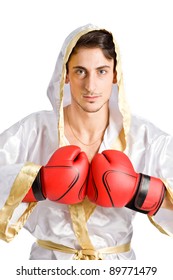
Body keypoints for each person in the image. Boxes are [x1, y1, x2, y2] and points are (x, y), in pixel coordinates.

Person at [0, 23, 173, 260]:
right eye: (80, 71)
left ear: (114, 74)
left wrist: (141, 191)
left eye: (101, 71)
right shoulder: (33, 130)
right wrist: (36, 183)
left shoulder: (143, 136)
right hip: (47, 267)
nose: (90, 86)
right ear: (66, 74)